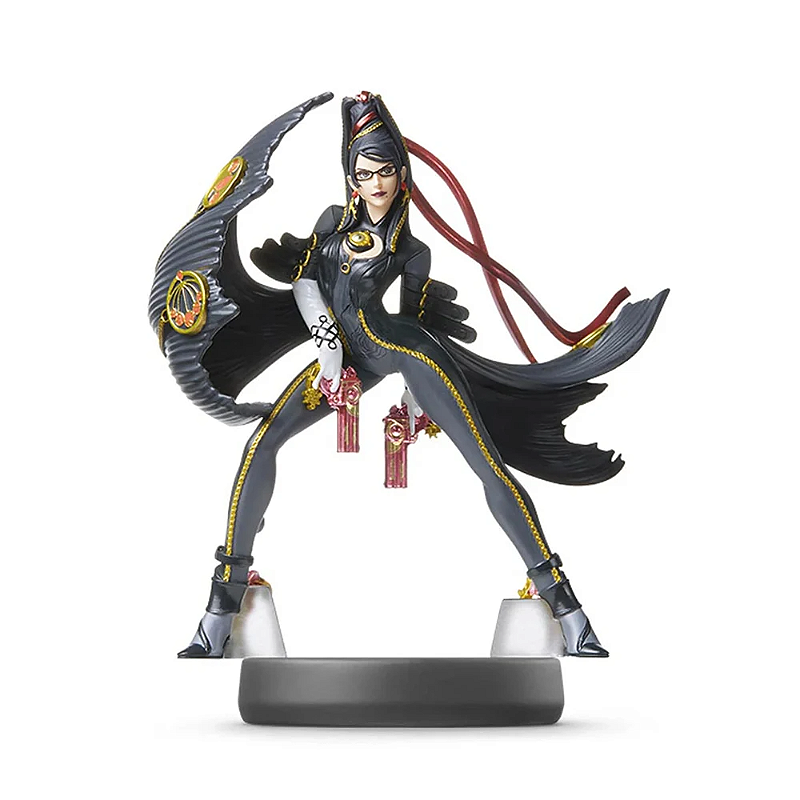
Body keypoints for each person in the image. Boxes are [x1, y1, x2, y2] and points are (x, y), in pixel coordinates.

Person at [152, 92, 667, 658]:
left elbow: (414, 318)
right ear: (351, 176)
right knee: (261, 443)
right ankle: (220, 606)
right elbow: (306, 283)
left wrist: (414, 403)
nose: (375, 183)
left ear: (402, 174)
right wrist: (326, 342)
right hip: (344, 357)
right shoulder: (331, 223)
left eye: (385, 171)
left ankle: (566, 607)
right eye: (364, 172)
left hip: (405, 353)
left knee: (485, 465)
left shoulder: (412, 249)